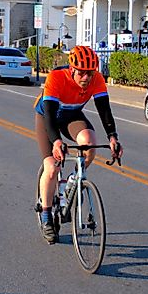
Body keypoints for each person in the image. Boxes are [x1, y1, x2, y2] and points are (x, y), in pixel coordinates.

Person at [33, 45, 123, 244]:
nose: (86, 78)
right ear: (72, 69)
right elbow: (49, 114)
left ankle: (75, 179)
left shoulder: (96, 79)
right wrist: (56, 141)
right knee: (52, 167)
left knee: (90, 143)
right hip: (48, 117)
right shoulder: (57, 77)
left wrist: (113, 137)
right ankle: (47, 215)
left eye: (89, 73)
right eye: (81, 73)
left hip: (72, 115)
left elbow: (104, 110)